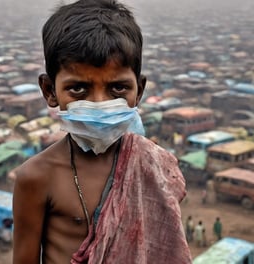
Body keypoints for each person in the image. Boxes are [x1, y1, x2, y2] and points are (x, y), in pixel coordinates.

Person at [12, 0, 191, 263]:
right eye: (78, 89)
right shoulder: (37, 176)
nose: (99, 103)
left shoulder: (154, 166)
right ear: (50, 91)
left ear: (139, 90)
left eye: (118, 88)